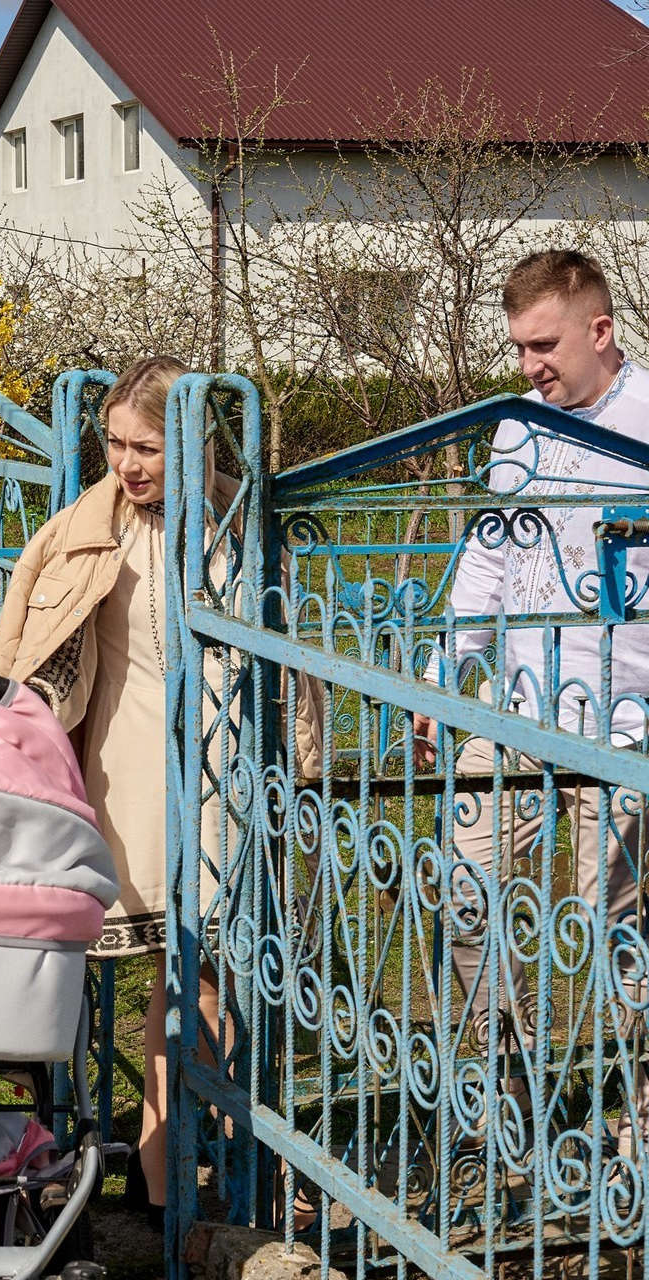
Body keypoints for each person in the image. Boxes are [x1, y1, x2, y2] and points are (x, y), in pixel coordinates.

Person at [0, 357, 323, 1229]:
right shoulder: (80, 532)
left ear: (190, 441)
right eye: (115, 444)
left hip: (228, 769)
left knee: (217, 974)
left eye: (147, 448)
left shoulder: (239, 524)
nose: (128, 465)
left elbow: (289, 651)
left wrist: (303, 764)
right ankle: (152, 1169)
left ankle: (203, 1171)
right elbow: (20, 648)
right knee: (159, 973)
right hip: (128, 765)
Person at [413, 249, 649, 1154]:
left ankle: (636, 1109)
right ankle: (499, 1081)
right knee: (466, 892)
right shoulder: (519, 430)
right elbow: (487, 556)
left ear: (601, 330)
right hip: (512, 715)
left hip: (623, 724)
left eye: (544, 345)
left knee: (614, 924)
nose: (528, 366)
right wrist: (447, 676)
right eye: (518, 348)